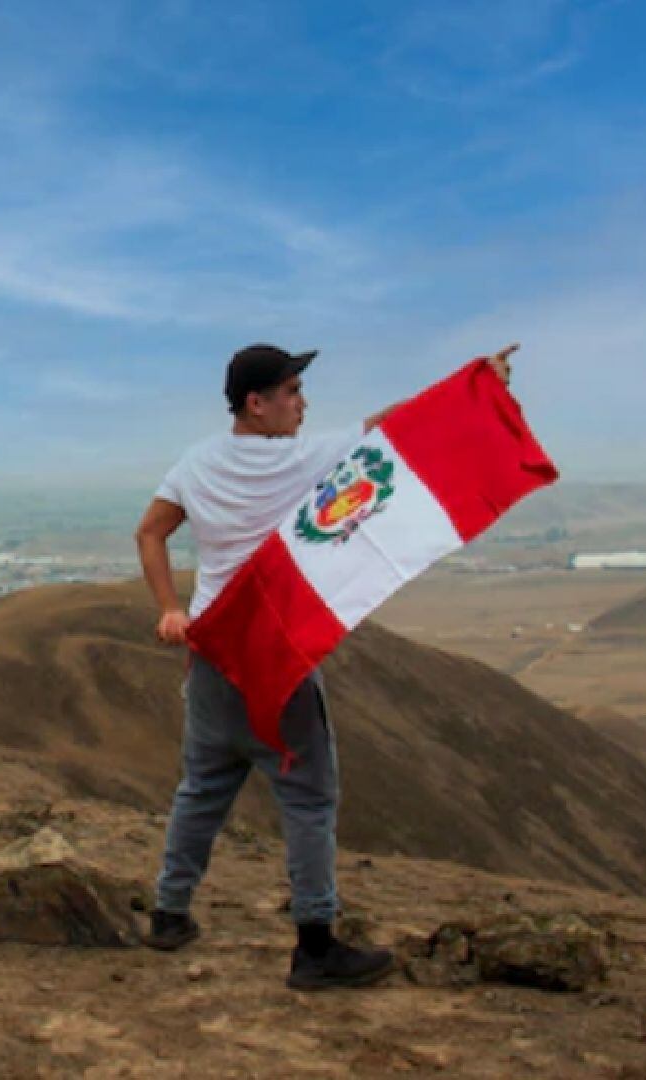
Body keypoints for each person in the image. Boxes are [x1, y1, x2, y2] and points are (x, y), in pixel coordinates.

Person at [133, 342, 516, 990]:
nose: (301, 405)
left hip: (212, 656)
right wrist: (474, 384)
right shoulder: (303, 458)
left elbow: (150, 531)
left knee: (201, 788)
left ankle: (169, 915)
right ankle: (315, 947)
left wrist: (171, 608)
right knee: (309, 799)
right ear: (256, 404)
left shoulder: (195, 464)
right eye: (291, 393)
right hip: (275, 662)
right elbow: (395, 428)